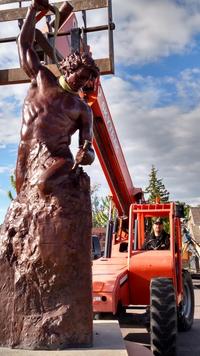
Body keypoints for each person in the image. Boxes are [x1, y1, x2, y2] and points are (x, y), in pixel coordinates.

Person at [16, 0, 99, 196]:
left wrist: (86, 155)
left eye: (87, 78)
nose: (83, 81)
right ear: (69, 68)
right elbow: (24, 44)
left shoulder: (82, 109)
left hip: (58, 159)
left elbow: (88, 148)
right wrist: (32, 9)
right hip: (25, 151)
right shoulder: (41, 77)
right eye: (81, 75)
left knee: (43, 186)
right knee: (21, 194)